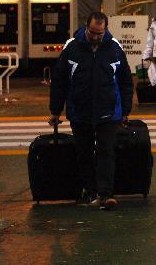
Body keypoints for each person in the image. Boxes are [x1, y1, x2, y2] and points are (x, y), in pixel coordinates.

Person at [48, 12, 133, 210]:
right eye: (93, 33)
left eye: (100, 33)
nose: (96, 37)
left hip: (109, 111)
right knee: (84, 153)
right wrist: (55, 110)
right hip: (80, 111)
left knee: (106, 152)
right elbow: (59, 81)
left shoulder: (115, 48)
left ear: (105, 29)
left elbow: (126, 81)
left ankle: (106, 194)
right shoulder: (71, 48)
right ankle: (90, 190)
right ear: (86, 28)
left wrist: (126, 110)